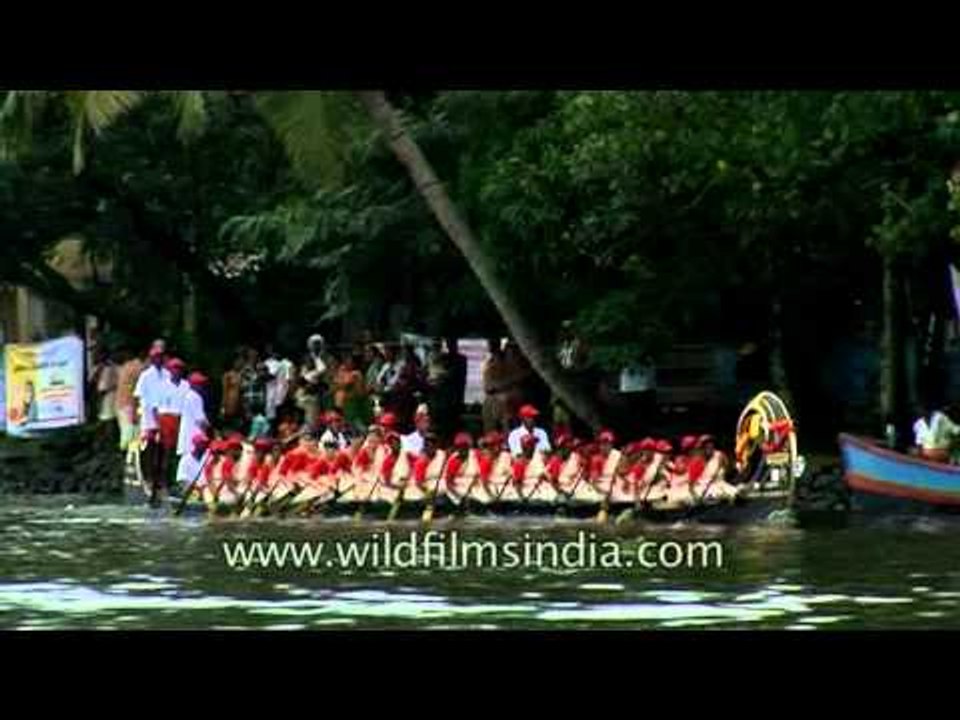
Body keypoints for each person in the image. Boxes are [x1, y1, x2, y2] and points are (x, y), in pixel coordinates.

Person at [133, 345, 172, 505]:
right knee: (149, 450)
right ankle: (149, 479)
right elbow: (139, 397)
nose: (158, 359)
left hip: (164, 417)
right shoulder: (145, 376)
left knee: (164, 450)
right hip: (149, 419)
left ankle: (161, 481)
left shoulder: (168, 374)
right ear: (151, 358)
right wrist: (139, 415)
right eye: (155, 356)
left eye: (160, 356)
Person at [176, 372, 210, 460]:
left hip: (188, 436)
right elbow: (201, 420)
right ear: (194, 385)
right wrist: (210, 429)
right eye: (200, 384)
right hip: (193, 438)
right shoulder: (195, 397)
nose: (202, 387)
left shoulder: (188, 395)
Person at [115, 347, 143, 453]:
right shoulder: (137, 368)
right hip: (129, 405)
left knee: (129, 435)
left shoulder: (126, 367)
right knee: (133, 435)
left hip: (123, 405)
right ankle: (131, 461)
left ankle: (129, 461)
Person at [333, 354, 370, 431]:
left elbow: (344, 383)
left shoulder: (356, 374)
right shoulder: (345, 371)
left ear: (354, 363)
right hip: (344, 405)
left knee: (356, 422)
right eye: (346, 361)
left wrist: (341, 375)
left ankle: (366, 434)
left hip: (355, 403)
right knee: (345, 424)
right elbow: (335, 382)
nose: (347, 363)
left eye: (350, 361)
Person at [482, 338, 509, 432]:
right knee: (489, 428)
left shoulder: (504, 358)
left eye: (491, 343)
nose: (489, 345)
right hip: (489, 397)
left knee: (504, 426)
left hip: (500, 396)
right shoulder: (489, 359)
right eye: (489, 343)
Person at [263, 345, 294, 424]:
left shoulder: (281, 363)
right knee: (272, 419)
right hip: (272, 395)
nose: (269, 352)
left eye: (270, 350)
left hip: (278, 395)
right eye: (267, 350)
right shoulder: (267, 362)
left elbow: (270, 376)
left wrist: (261, 372)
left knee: (278, 419)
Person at [92, 349, 118, 425]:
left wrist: (109, 389)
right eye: (98, 355)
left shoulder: (113, 366)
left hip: (111, 396)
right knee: (103, 420)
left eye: (101, 354)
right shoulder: (96, 367)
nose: (99, 356)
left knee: (110, 420)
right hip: (100, 399)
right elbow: (92, 381)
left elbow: (119, 381)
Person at [220, 355, 244, 430]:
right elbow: (224, 391)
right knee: (228, 423)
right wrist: (223, 406)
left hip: (239, 403)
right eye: (238, 362)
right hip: (229, 403)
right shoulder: (227, 375)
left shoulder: (240, 375)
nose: (240, 363)